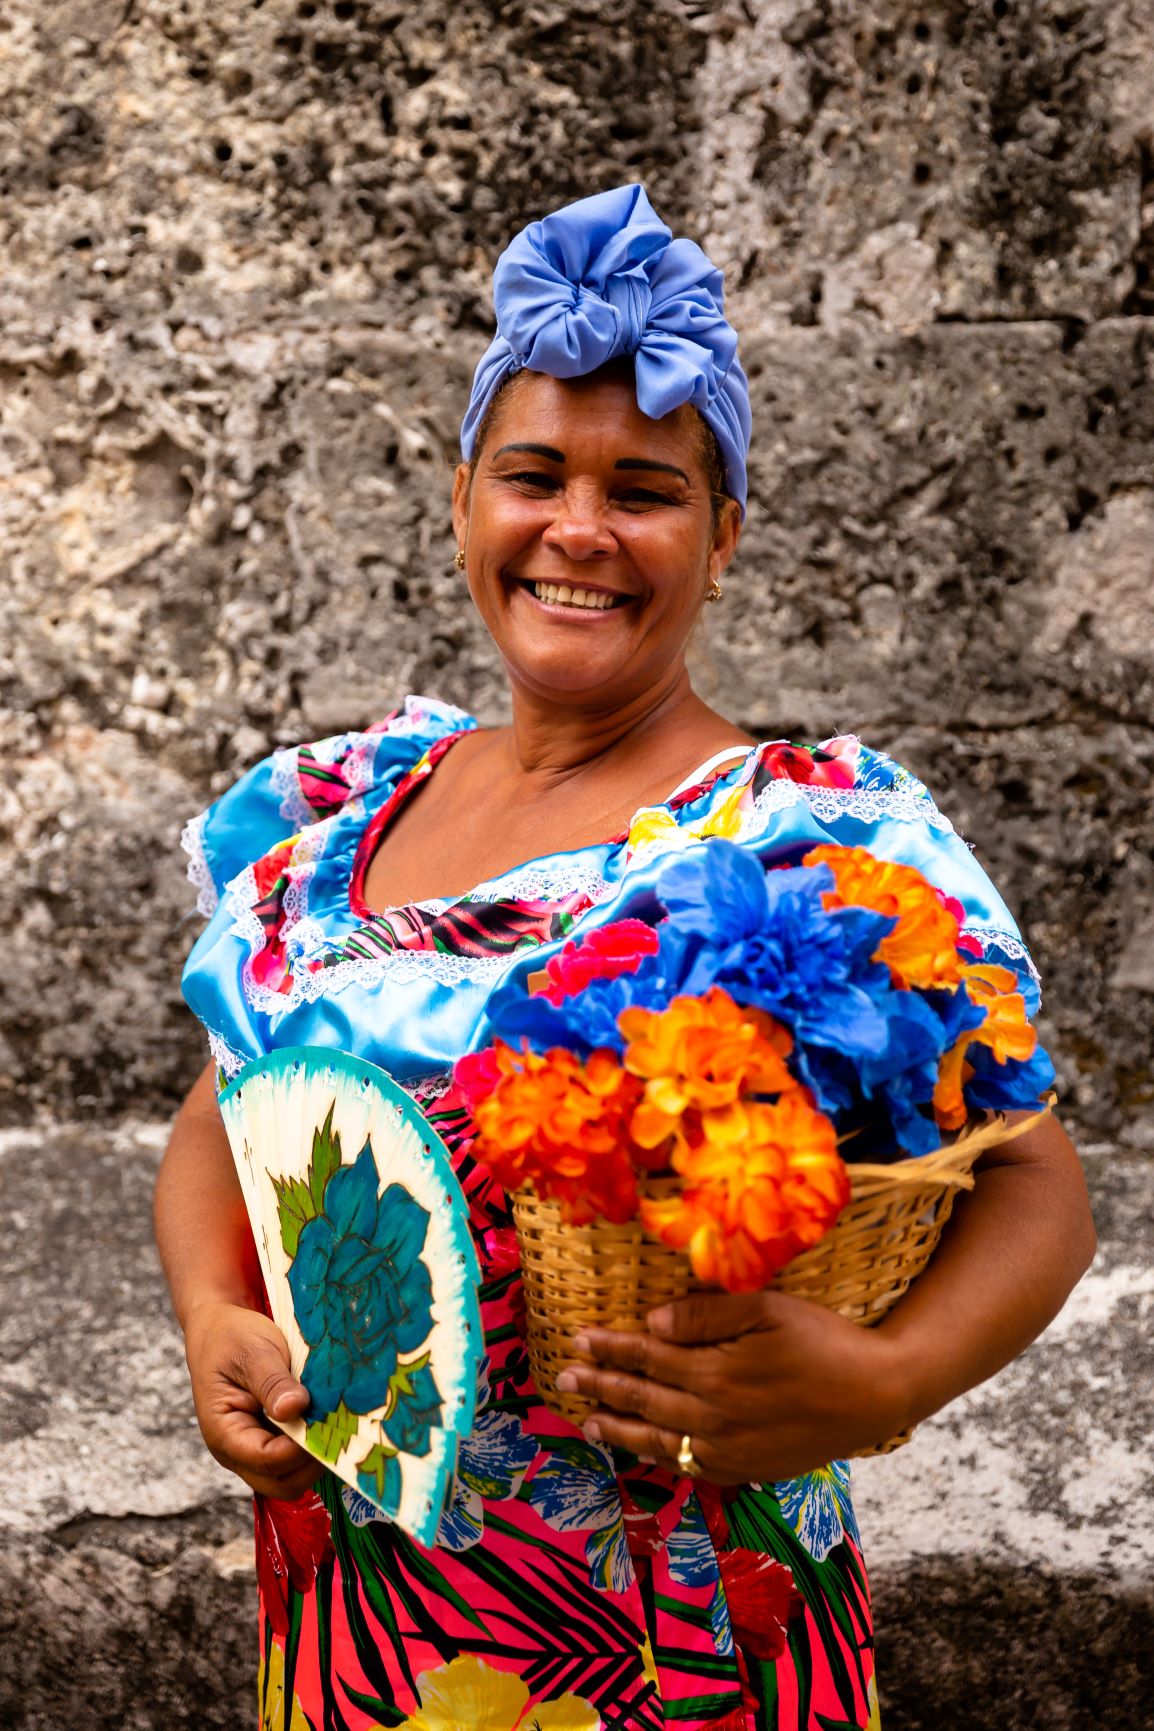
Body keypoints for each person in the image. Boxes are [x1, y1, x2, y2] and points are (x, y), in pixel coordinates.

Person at [156, 185, 1095, 1731]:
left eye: (644, 489)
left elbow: (1033, 1181)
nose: (578, 528)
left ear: (721, 537)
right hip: (360, 1628)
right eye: (532, 474)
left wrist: (893, 1379)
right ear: (465, 501)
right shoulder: (332, 821)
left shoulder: (808, 836)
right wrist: (213, 1314)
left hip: (678, 1640)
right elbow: (222, 1120)